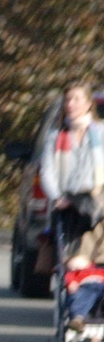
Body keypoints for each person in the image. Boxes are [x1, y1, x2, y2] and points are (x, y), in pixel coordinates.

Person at [40, 80, 104, 254]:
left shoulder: (100, 132)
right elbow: (47, 172)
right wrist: (58, 198)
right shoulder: (55, 137)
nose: (70, 104)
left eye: (76, 99)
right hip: (67, 203)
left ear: (88, 103)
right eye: (67, 100)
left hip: (96, 202)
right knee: (67, 258)